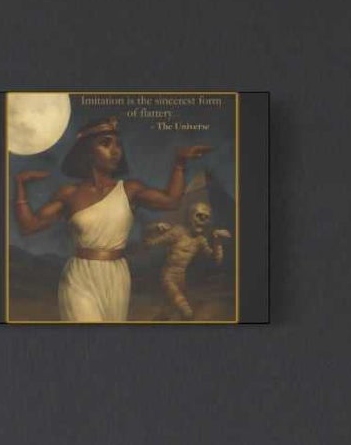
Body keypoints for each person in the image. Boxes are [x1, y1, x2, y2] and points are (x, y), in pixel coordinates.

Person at [13, 117, 212, 322]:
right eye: (105, 143)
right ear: (88, 152)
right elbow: (29, 227)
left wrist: (179, 163)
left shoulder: (129, 190)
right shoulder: (69, 194)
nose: (115, 150)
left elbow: (170, 201)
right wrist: (20, 186)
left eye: (118, 144)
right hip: (79, 277)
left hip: (117, 276)